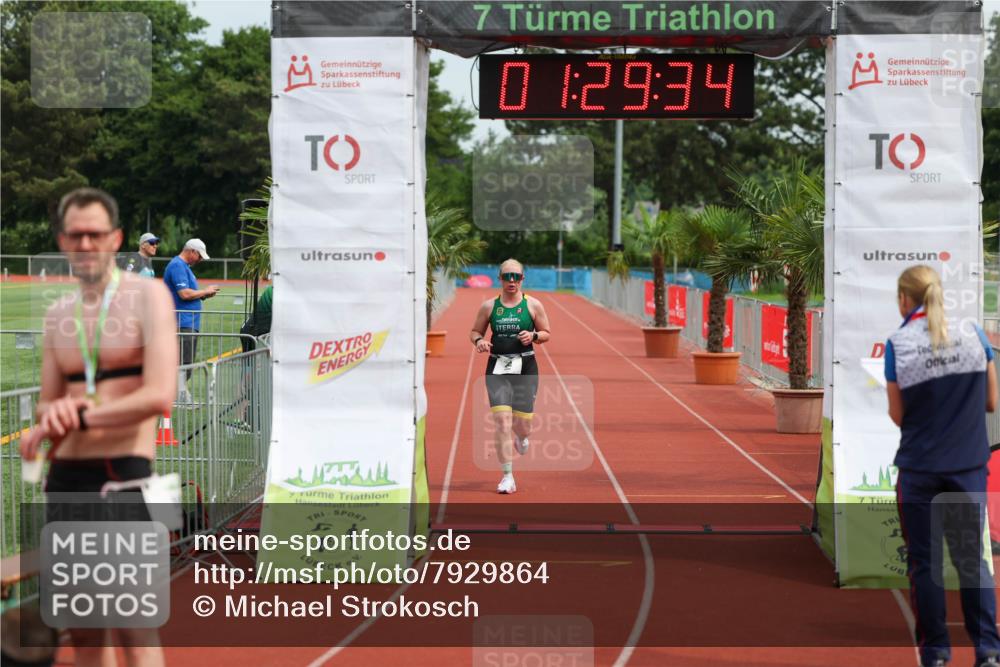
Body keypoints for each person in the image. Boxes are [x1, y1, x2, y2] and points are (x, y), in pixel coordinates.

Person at [19, 187, 177, 667]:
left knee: (134, 629)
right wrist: (45, 426)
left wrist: (80, 413)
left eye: (95, 234)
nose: (85, 244)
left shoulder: (148, 297)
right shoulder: (56, 316)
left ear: (116, 239)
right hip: (65, 481)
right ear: (63, 241)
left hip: (123, 474)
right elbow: (48, 403)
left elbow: (158, 396)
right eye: (75, 235)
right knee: (85, 633)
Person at [885, 265, 1000, 667]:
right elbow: (991, 402)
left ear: (904, 299)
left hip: (920, 469)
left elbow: (897, 415)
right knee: (972, 561)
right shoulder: (973, 334)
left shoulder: (899, 344)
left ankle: (936, 653)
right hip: (967, 467)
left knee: (925, 564)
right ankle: (987, 651)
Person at [469, 259, 551, 494]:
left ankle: (522, 438)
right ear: (500, 279)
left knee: (522, 426)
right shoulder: (489, 307)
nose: (511, 281)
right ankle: (507, 476)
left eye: (516, 276)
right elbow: (475, 331)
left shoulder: (533, 305)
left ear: (523, 278)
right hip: (498, 368)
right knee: (502, 421)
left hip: (525, 367)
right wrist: (480, 341)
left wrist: (534, 336)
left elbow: (547, 333)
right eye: (507, 276)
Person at [162, 238, 219, 402]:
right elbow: (184, 294)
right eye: (199, 256)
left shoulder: (183, 266)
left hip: (188, 322)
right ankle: (178, 397)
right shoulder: (177, 266)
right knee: (184, 362)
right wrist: (205, 291)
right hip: (182, 322)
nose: (200, 260)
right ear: (192, 251)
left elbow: (189, 294)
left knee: (186, 361)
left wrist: (204, 294)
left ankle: (180, 395)